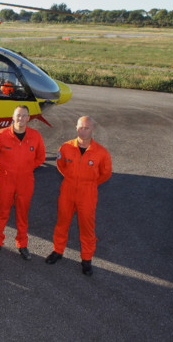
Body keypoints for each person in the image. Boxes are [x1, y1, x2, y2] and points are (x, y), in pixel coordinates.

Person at [45, 116, 112, 276]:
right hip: (67, 191)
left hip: (87, 193)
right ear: (76, 128)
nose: (83, 131)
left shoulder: (101, 152)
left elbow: (105, 174)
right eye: (81, 127)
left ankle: (87, 259)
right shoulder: (66, 147)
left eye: (87, 128)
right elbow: (61, 166)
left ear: (93, 129)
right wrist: (71, 180)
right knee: (62, 222)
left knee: (87, 228)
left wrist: (89, 184)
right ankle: (58, 251)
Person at [0, 105, 45, 260]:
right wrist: (7, 168)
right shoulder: (1, 135)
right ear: (13, 117)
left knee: (22, 214)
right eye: (18, 115)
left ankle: (22, 244)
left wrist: (26, 168)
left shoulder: (36, 136)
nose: (21, 118)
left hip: (25, 181)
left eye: (24, 116)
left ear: (28, 118)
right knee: (2, 212)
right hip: (6, 179)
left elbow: (40, 157)